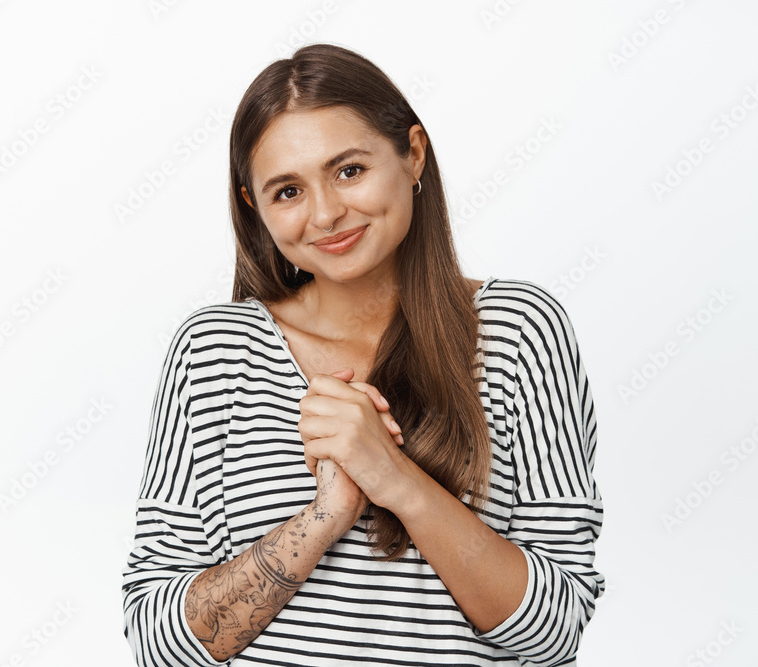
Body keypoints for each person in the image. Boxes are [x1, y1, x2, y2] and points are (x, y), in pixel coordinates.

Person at [121, 43, 604, 666]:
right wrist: (324, 517)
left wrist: (393, 476)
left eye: (348, 170)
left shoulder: (519, 331)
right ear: (254, 207)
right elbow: (160, 644)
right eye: (288, 191)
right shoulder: (214, 350)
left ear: (413, 154)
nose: (325, 214)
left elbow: (556, 631)